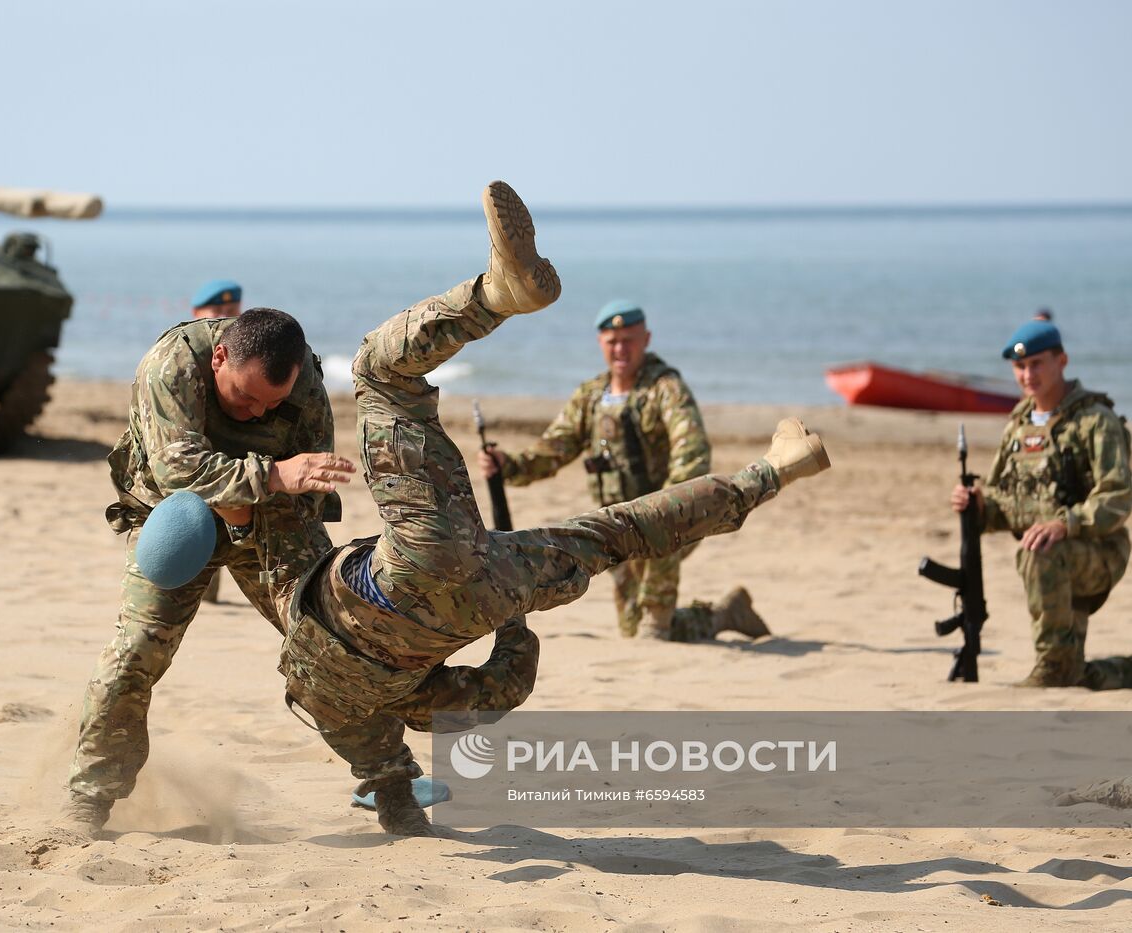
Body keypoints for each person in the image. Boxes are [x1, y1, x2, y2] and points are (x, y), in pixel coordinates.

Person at [277, 181, 831, 835]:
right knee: (377, 370)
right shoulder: (312, 672)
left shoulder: (420, 710)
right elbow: (281, 554)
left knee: (618, 531)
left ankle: (775, 470)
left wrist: (510, 615)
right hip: (410, 560)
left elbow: (503, 689)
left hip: (488, 590)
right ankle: (494, 294)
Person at [58, 306, 356, 835]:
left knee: (331, 645)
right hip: (177, 516)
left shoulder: (303, 378)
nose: (254, 414)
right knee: (134, 655)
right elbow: (177, 467)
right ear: (219, 358)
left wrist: (256, 516)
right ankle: (89, 797)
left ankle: (392, 782)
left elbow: (310, 481)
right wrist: (270, 477)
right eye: (243, 398)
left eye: (272, 404)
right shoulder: (171, 365)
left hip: (269, 518)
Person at [477, 300, 768, 642]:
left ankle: (663, 622)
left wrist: (671, 507)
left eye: (629, 339)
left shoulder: (665, 390)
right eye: (612, 341)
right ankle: (724, 615)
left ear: (646, 339)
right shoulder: (591, 398)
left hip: (666, 524)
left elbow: (692, 453)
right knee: (633, 629)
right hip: (616, 529)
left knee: (653, 630)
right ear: (601, 343)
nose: (621, 349)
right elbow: (554, 450)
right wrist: (508, 466)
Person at [950, 319, 1131, 687]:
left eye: (1037, 363)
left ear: (1061, 361)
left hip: (1098, 552)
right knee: (1075, 674)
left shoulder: (1095, 421)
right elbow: (1006, 499)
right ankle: (1102, 670)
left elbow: (1118, 496)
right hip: (1049, 552)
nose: (1027, 374)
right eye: (1019, 366)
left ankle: (1050, 667)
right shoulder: (1018, 425)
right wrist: (978, 505)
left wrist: (1067, 524)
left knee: (1039, 553)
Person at [190, 278, 244, 602]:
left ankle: (210, 594)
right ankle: (203, 593)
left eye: (232, 310)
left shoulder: (243, 356)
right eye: (217, 311)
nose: (225, 316)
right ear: (197, 313)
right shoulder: (182, 356)